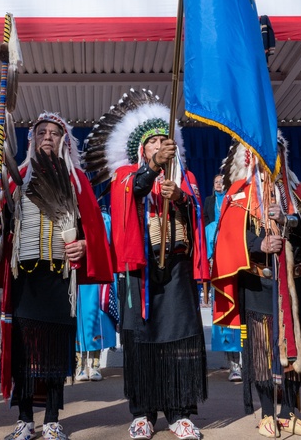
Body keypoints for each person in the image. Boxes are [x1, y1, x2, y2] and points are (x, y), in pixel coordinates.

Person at [83, 90, 209, 440]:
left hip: (178, 273)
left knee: (179, 340)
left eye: (162, 140)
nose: (157, 144)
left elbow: (198, 214)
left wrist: (180, 196)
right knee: (141, 342)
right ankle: (142, 413)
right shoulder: (125, 174)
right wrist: (152, 170)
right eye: (151, 141)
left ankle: (180, 413)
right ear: (141, 149)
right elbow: (134, 189)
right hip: (140, 273)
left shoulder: (186, 178)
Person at [0, 112, 113, 440]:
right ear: (32, 139)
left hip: (59, 278)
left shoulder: (76, 179)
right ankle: (24, 420)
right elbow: (3, 228)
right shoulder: (15, 177)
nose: (47, 137)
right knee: (23, 351)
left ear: (65, 140)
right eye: (41, 133)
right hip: (24, 278)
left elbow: (93, 226)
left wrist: (84, 246)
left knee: (54, 352)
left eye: (55, 133)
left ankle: (51, 420)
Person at [213, 138, 301, 438]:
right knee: (261, 354)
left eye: (277, 151)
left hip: (296, 286)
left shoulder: (298, 192)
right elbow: (228, 238)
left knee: (298, 350)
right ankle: (267, 413)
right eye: (262, 152)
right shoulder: (239, 194)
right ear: (249, 157)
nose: (271, 157)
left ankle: (290, 412)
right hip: (260, 285)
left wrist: (289, 219)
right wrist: (259, 244)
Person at [74, 206, 117, 383]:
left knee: (98, 317)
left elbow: (106, 241)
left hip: (97, 273)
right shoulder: (70, 214)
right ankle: (80, 363)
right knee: (78, 317)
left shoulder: (104, 218)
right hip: (77, 272)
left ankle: (95, 363)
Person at [204, 196, 242, 384]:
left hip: (243, 279)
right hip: (222, 281)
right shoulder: (211, 229)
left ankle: (249, 362)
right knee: (227, 321)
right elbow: (207, 256)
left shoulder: (240, 224)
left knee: (245, 320)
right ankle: (234, 365)